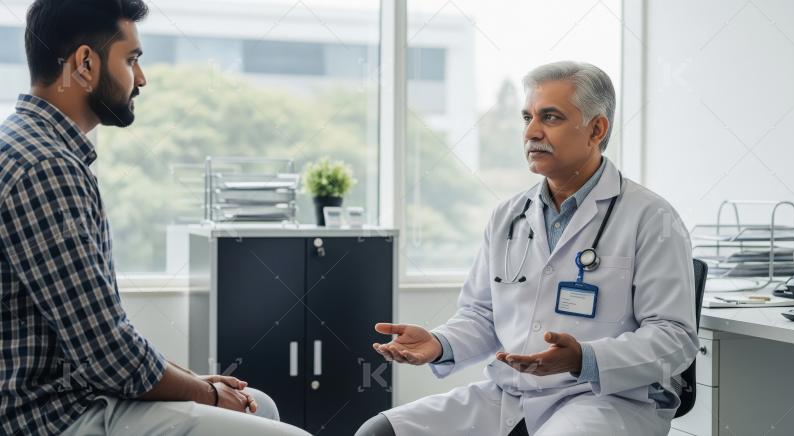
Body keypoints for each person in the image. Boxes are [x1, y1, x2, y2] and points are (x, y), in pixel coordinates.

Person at [0, 1, 309, 435]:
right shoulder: (47, 167)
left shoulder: (25, 145)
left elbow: (106, 337)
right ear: (85, 64)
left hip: (76, 398)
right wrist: (210, 395)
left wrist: (196, 382)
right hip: (55, 418)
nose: (141, 79)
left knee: (261, 407)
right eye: (131, 60)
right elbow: (109, 353)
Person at [357, 61, 698, 436]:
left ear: (596, 129)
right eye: (527, 118)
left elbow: (675, 338)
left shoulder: (651, 217)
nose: (531, 132)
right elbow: (483, 315)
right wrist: (439, 343)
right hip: (510, 394)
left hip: (608, 400)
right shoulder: (508, 215)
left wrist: (585, 359)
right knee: (379, 432)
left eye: (550, 117)